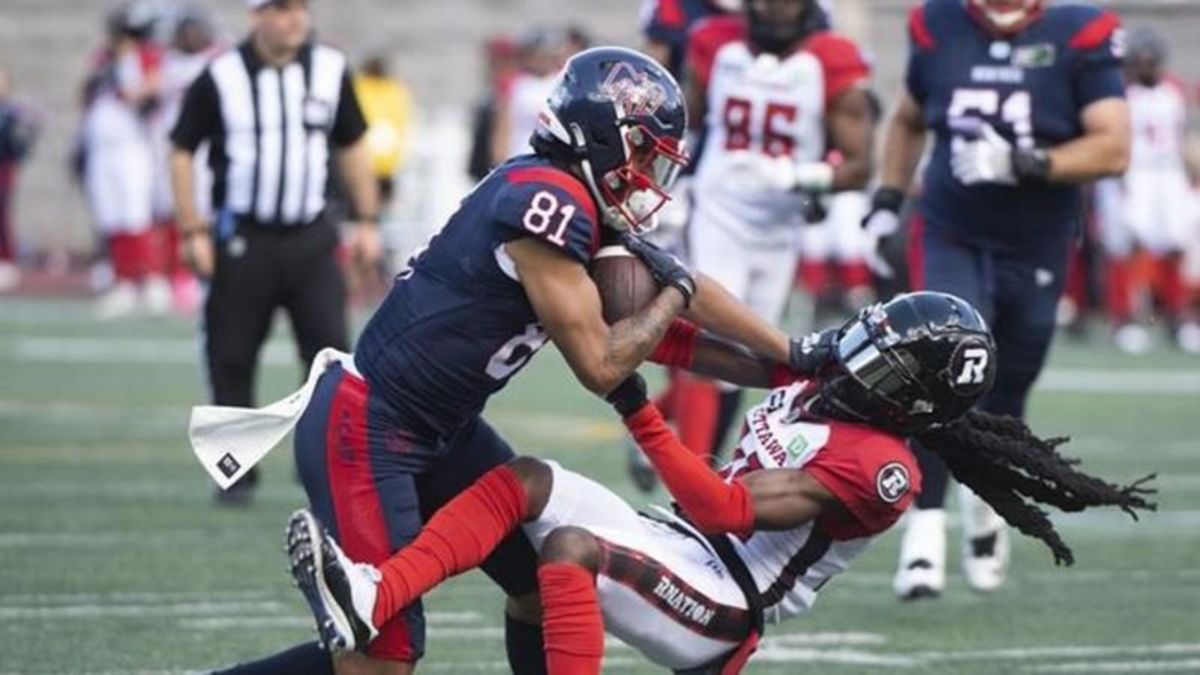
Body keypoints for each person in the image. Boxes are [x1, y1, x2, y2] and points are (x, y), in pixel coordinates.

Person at [196, 46, 832, 675]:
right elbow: (606, 366)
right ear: (603, 137)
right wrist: (676, 294)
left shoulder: (566, 195)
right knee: (381, 661)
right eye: (640, 151)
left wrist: (791, 358)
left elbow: (671, 321)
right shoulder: (546, 206)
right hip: (369, 428)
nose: (645, 173)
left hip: (439, 428)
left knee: (543, 590)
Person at [286, 292, 1156, 674]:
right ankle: (373, 592)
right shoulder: (826, 382)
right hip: (685, 544)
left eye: (885, 364)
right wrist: (595, 320)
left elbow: (725, 506)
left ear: (915, 401)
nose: (859, 359)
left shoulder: (883, 467)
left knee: (569, 549)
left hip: (727, 599)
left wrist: (634, 404)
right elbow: (683, 343)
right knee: (525, 480)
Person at [862, 0, 1131, 599]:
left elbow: (1113, 148)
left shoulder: (1080, 30)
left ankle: (984, 509)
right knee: (942, 368)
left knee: (1007, 386)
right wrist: (886, 199)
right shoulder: (937, 22)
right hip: (951, 225)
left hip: (1037, 238)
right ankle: (924, 533)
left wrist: (1026, 161)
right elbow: (909, 118)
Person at [632, 0, 873, 489]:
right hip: (717, 207)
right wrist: (656, 184)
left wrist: (798, 176)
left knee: (756, 354)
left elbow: (859, 165)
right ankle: (696, 483)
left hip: (779, 226)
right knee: (715, 340)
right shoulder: (713, 41)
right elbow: (682, 120)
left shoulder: (833, 58)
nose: (772, 9)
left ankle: (660, 425)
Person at [170, 0, 382, 505]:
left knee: (329, 356)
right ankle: (234, 474)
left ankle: (323, 468)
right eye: (282, 9)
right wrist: (192, 228)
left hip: (312, 235)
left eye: (300, 9)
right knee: (232, 355)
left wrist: (367, 221)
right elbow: (182, 148)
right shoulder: (220, 75)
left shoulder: (329, 69)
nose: (295, 20)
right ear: (256, 15)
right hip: (244, 237)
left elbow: (353, 145)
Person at [1094, 28, 1200, 354]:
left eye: (1150, 61)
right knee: (1128, 246)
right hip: (1132, 172)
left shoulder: (1173, 89)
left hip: (1168, 173)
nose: (1146, 67)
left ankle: (1179, 318)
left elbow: (1182, 135)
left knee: (1175, 244)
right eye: (1140, 61)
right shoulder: (1120, 92)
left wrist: (1191, 173)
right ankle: (1124, 319)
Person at [84, 2, 167, 319]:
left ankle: (151, 278)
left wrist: (127, 67)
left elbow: (143, 92)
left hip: (131, 145)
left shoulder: (145, 57)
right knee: (112, 215)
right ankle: (124, 280)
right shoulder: (104, 59)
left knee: (135, 213)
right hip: (103, 147)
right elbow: (88, 93)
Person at [0, 65, 41, 292]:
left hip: (4, 166)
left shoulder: (12, 111)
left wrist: (19, 157)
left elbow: (31, 127)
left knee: (2, 214)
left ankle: (6, 260)